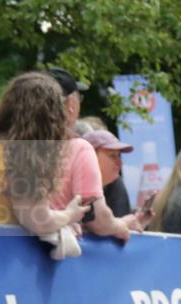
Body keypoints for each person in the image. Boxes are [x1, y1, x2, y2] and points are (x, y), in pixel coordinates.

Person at [0, 72, 89, 240]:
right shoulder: (23, 153)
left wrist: (61, 221)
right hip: (0, 245)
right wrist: (70, 215)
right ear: (51, 116)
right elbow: (36, 220)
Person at [47, 68, 142, 245]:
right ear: (70, 104)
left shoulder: (10, 143)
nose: (119, 162)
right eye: (112, 155)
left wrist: (62, 220)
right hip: (55, 255)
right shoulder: (79, 148)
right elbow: (97, 219)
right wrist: (121, 225)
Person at [83, 130, 135, 217]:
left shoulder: (115, 184)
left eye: (118, 156)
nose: (120, 162)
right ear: (90, 157)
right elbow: (103, 223)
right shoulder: (73, 189)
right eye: (112, 156)